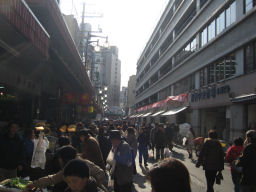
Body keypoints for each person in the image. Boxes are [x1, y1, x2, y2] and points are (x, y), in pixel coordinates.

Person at [25, 146, 106, 192]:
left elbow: (101, 173)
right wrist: (34, 184)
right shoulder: (70, 167)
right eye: (69, 182)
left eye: (60, 157)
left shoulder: (79, 165)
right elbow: (53, 178)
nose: (59, 160)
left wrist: (91, 184)